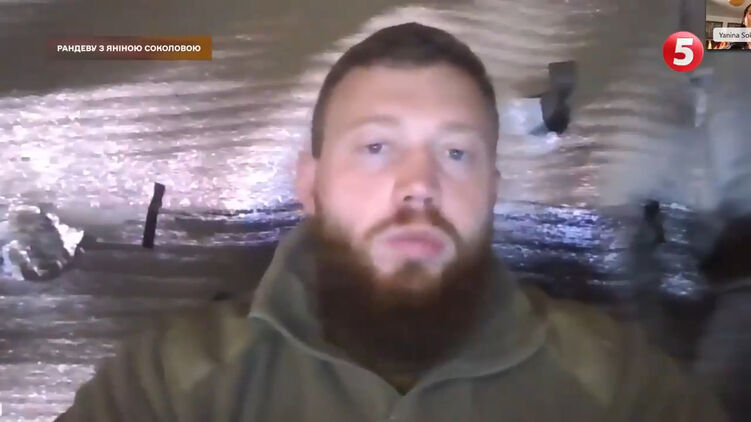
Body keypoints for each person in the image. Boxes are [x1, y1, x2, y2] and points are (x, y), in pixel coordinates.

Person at [56, 23, 726, 421]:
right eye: (376, 147)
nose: (419, 185)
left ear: (491, 191)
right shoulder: (169, 383)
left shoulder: (619, 386)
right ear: (311, 186)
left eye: (455, 153)